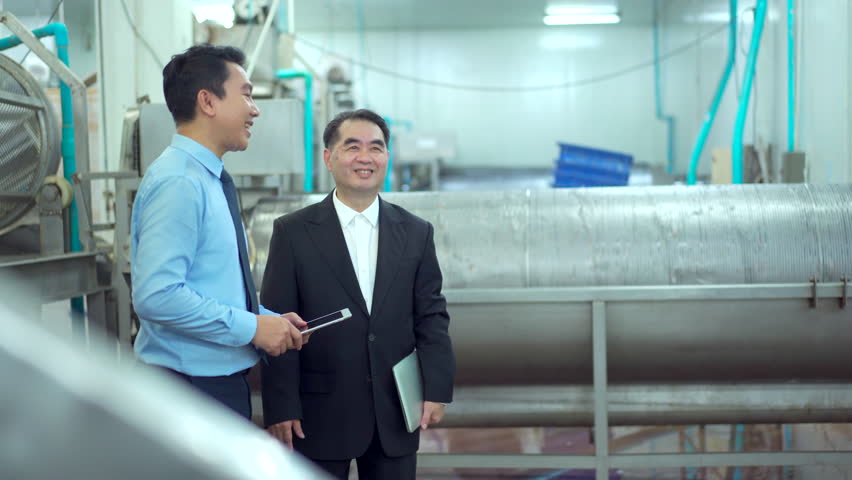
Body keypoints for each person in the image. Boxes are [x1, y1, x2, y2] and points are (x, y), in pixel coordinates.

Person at [260, 109, 455, 479]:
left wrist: (437, 387)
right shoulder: (294, 232)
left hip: (395, 412)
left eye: (376, 148)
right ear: (329, 158)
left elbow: (432, 316)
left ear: (387, 158)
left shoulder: (416, 232)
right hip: (318, 414)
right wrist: (282, 406)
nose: (365, 157)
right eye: (353, 147)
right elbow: (277, 319)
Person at [130, 44, 306, 421]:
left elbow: (210, 284)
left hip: (212, 382)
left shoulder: (207, 179)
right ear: (208, 102)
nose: (254, 110)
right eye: (246, 95)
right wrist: (252, 327)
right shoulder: (179, 182)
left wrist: (265, 317)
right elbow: (157, 296)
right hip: (189, 388)